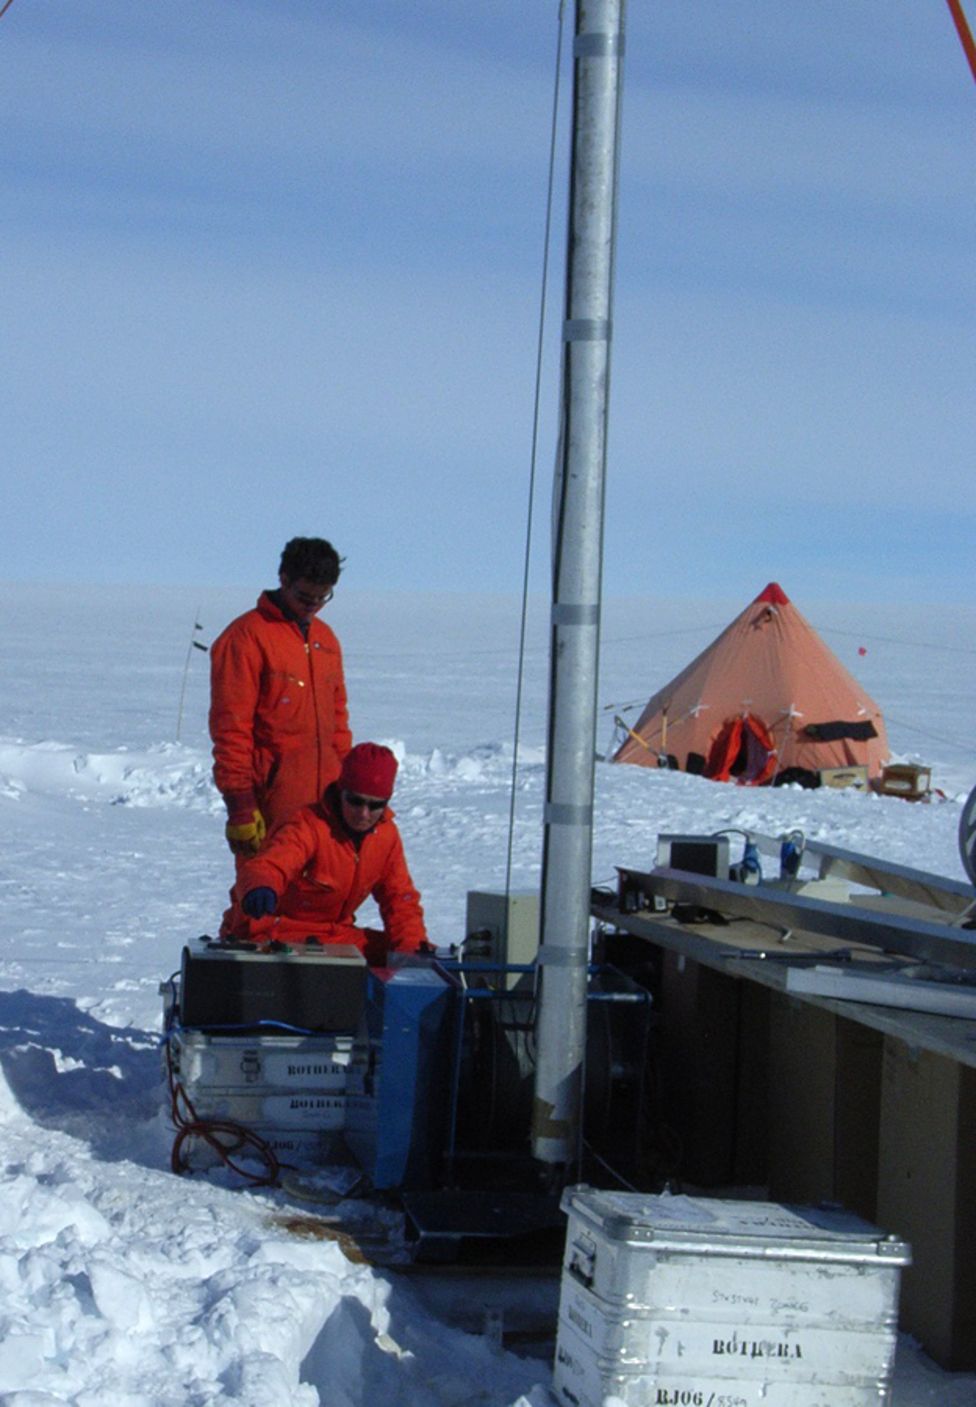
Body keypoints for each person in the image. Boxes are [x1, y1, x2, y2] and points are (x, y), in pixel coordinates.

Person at [209, 536, 352, 858]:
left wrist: (346, 785)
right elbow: (230, 727)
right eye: (305, 595)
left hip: (326, 802)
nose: (313, 604)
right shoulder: (245, 638)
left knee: (321, 899)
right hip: (271, 803)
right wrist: (240, 802)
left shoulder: (325, 639)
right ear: (283, 579)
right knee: (262, 899)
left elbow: (338, 721)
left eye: (323, 596)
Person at [234, 742, 431, 963]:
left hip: (334, 936)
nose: (363, 813)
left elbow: (400, 899)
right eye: (355, 801)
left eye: (375, 805)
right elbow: (269, 865)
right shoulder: (308, 825)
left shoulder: (386, 837)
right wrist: (261, 886)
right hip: (278, 932)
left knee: (414, 953)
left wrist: (412, 952)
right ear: (341, 791)